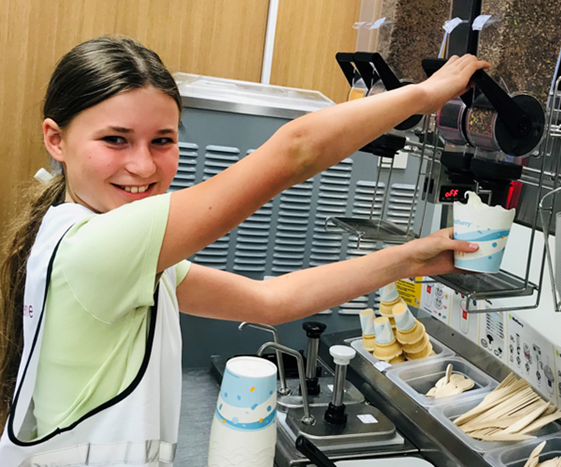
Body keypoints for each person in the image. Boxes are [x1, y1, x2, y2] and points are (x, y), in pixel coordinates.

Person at [0, 35, 488, 466]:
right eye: (115, 140)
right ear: (56, 139)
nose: (143, 164)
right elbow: (295, 151)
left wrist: (410, 258)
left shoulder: (93, 241)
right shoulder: (100, 248)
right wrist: (425, 95)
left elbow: (268, 301)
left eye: (163, 140)